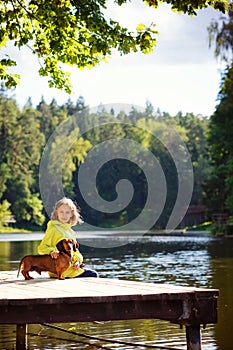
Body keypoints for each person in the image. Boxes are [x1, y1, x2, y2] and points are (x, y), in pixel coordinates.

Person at [38, 197, 98, 278]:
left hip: (71, 269)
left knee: (92, 273)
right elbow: (42, 248)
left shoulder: (71, 232)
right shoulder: (53, 228)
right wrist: (51, 251)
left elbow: (75, 252)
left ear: (71, 214)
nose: (64, 215)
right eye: (61, 212)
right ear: (56, 213)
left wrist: (77, 261)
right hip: (59, 271)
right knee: (93, 275)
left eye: (67, 212)